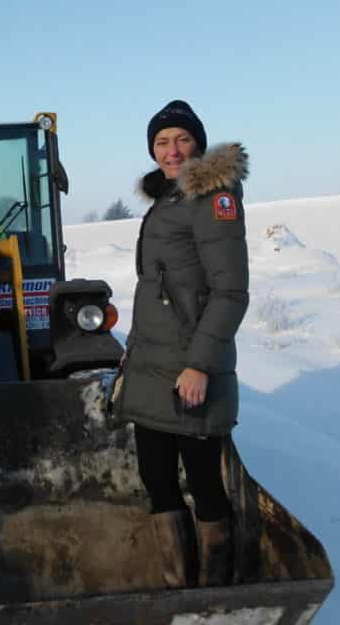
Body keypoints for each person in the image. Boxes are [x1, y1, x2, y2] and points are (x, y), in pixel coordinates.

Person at [114, 100, 249, 589]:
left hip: (190, 366)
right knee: (157, 479)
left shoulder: (214, 197)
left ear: (198, 143)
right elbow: (160, 286)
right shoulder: (169, 199)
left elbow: (230, 291)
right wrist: (133, 349)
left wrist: (200, 366)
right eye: (162, 142)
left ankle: (217, 589)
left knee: (205, 484)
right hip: (154, 362)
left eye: (182, 140)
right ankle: (178, 586)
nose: (172, 151)